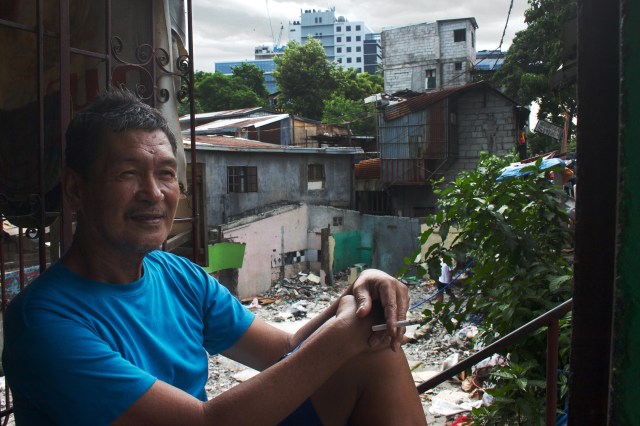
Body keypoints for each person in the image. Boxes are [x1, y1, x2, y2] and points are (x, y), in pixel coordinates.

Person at [2, 89, 427, 426]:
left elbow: (286, 349)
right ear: (76, 189)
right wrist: (344, 333)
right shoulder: (43, 324)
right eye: (127, 173)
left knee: (375, 347)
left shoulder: (177, 276)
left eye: (166, 173)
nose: (154, 193)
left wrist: (357, 296)